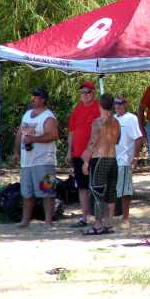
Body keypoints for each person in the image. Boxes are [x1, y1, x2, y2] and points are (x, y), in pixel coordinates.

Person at [13, 87, 59, 228]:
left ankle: (48, 222)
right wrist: (16, 152)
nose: (33, 98)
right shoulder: (27, 114)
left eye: (36, 96)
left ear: (43, 99)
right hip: (27, 162)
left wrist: (34, 139)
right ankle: (25, 220)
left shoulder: (48, 117)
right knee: (27, 193)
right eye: (32, 96)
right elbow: (20, 134)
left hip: (44, 161)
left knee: (47, 191)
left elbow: (53, 135)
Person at [81, 93, 120, 235]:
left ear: (100, 106)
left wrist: (86, 161)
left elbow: (92, 143)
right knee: (110, 192)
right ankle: (109, 223)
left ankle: (98, 224)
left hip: (100, 159)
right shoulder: (116, 122)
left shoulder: (98, 122)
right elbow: (116, 140)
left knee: (97, 192)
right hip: (113, 159)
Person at [67, 80, 100, 228]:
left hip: (95, 154)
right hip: (78, 154)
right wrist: (69, 150)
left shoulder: (99, 108)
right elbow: (71, 132)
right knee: (82, 186)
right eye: (82, 93)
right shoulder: (76, 110)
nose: (85, 95)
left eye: (88, 92)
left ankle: (100, 218)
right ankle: (84, 217)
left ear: (94, 93)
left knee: (98, 186)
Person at [113, 94, 143, 228]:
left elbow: (138, 138)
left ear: (126, 104)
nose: (118, 105)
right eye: (116, 103)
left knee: (125, 191)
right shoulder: (112, 118)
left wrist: (135, 157)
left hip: (124, 159)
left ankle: (126, 218)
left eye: (120, 102)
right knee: (112, 190)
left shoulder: (131, 118)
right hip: (111, 159)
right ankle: (111, 217)